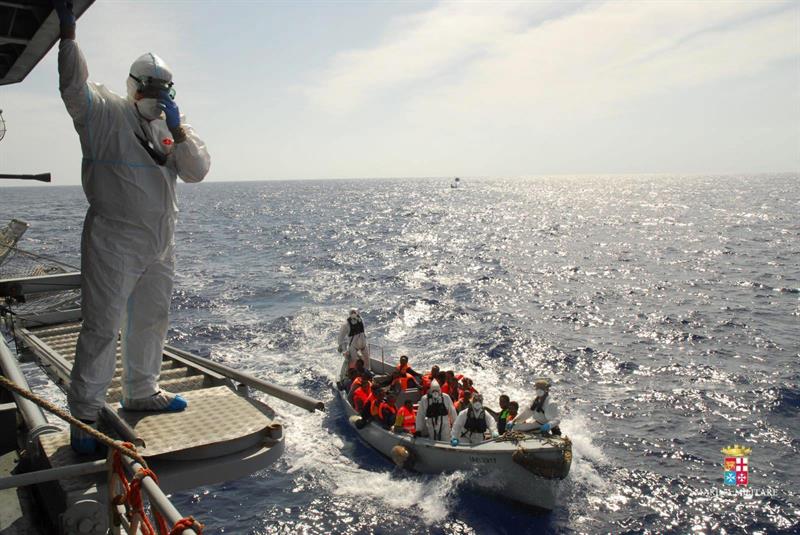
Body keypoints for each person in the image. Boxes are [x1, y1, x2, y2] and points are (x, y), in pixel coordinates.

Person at [52, 1, 211, 454]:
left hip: (160, 244)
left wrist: (178, 132)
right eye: (151, 86)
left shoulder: (171, 128)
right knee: (101, 327)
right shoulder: (103, 113)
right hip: (114, 240)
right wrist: (68, 37)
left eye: (165, 88)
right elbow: (71, 88)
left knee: (151, 320)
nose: (158, 94)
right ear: (134, 87)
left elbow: (197, 171)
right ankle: (84, 415)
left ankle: (141, 390)